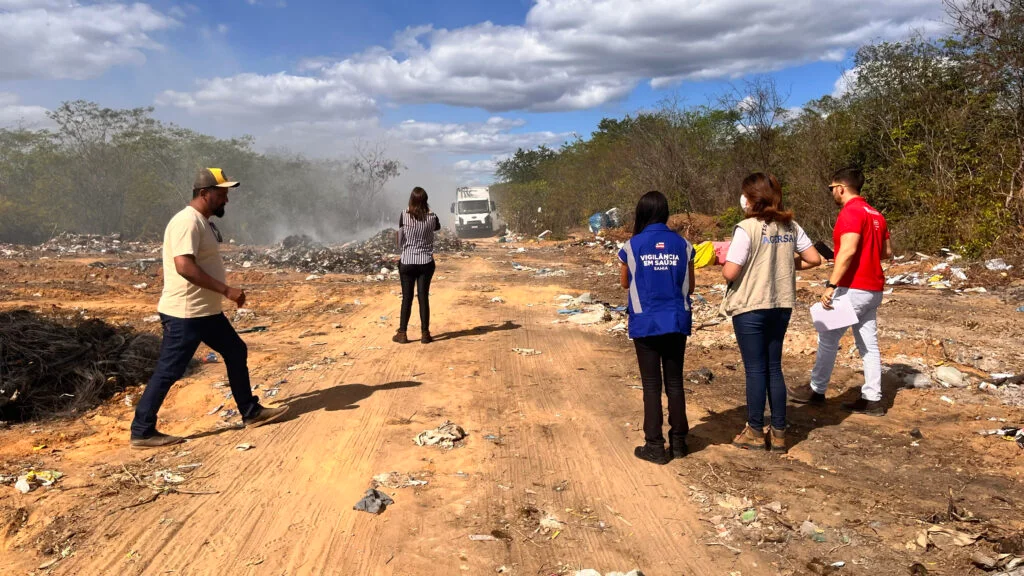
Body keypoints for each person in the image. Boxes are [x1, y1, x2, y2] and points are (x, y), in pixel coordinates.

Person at [130, 168, 289, 449]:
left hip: (204, 311)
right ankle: (142, 430)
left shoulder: (201, 222)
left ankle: (250, 412)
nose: (226, 200)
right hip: (186, 313)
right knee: (170, 369)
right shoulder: (187, 222)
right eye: (221, 194)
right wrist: (227, 290)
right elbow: (184, 267)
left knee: (236, 350)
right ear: (204, 194)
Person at [721, 173, 821, 452]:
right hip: (781, 305)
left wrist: (723, 265)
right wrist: (786, 264)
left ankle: (754, 430)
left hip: (751, 305)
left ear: (753, 197)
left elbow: (731, 271)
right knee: (774, 367)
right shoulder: (790, 226)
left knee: (755, 370)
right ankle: (778, 432)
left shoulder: (746, 228)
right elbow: (814, 258)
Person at [790, 167, 892, 416]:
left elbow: (848, 251)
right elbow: (886, 252)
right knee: (868, 344)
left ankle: (816, 389)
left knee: (827, 334)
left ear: (841, 188)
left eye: (831, 188)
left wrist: (831, 285)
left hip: (853, 287)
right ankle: (872, 399)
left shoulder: (851, 212)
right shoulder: (876, 214)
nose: (831, 193)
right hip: (873, 288)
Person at [618, 191, 695, 465]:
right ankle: (679, 443)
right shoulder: (684, 245)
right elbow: (692, 285)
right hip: (676, 320)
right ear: (665, 213)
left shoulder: (631, 246)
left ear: (641, 213)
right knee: (674, 383)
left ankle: (654, 445)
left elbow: (626, 283)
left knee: (651, 385)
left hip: (646, 321)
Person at [393, 187, 441, 344]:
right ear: (426, 200)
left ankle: (402, 333)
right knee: (423, 297)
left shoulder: (404, 215)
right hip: (426, 262)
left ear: (411, 200)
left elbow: (400, 240)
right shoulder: (432, 217)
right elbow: (437, 227)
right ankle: (425, 334)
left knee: (406, 298)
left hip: (407, 261)